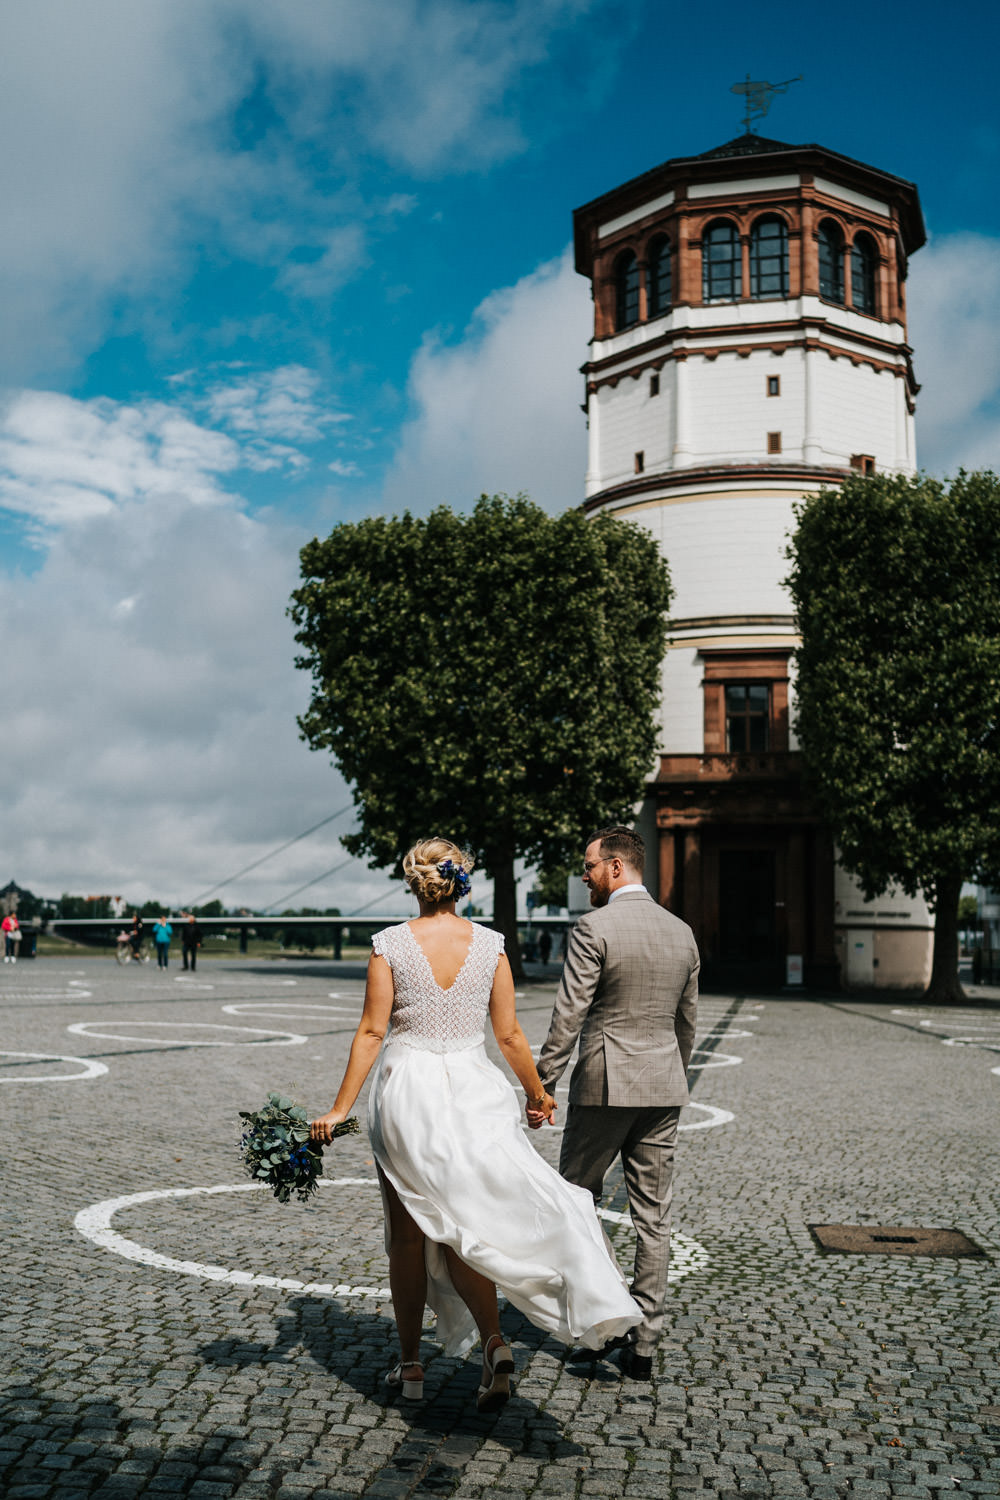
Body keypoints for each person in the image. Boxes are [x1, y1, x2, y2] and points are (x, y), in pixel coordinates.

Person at [310, 837, 640, 1412]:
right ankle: (493, 1342)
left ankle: (411, 1366)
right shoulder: (490, 946)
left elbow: (370, 1032)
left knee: (408, 1237)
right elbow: (510, 1035)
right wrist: (537, 1094)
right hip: (472, 1090)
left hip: (407, 1092)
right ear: (461, 882)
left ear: (414, 882)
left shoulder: (389, 946)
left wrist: (339, 1109)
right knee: (466, 1224)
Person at [533, 824, 699, 1381]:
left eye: (589, 866)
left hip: (605, 1086)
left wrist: (543, 1083)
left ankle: (603, 1321)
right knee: (655, 1217)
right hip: (663, 1085)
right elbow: (687, 1023)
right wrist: (672, 1074)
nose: (584, 875)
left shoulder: (594, 927)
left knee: (576, 1201)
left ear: (616, 867)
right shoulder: (683, 933)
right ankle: (644, 1344)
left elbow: (569, 1014)